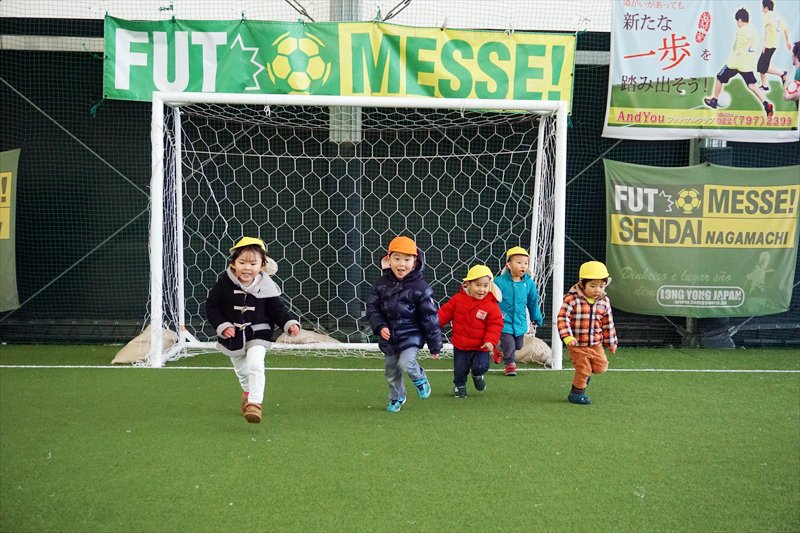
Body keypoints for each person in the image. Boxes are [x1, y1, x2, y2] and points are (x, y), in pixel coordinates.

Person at [206, 237, 301, 424]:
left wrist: (288, 323)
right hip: (233, 336)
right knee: (242, 371)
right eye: (242, 262)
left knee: (256, 365)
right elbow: (212, 307)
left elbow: (277, 310)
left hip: (259, 333)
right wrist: (223, 326)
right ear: (233, 264)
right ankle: (248, 392)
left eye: (253, 263)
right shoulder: (224, 284)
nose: (247, 268)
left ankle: (255, 404)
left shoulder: (267, 286)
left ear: (262, 265)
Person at [365, 236, 442, 413]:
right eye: (397, 258)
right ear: (388, 259)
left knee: (406, 363)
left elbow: (429, 318)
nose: (402, 264)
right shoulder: (380, 284)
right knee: (391, 372)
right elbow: (372, 309)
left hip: (411, 334)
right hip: (389, 338)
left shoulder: (421, 287)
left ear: (415, 262)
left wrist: (435, 345)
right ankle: (397, 397)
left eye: (407, 259)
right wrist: (380, 326)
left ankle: (420, 378)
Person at [557, 261, 618, 405]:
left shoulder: (604, 301)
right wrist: (567, 337)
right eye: (593, 286)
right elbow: (562, 317)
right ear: (582, 284)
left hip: (595, 343)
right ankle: (576, 393)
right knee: (583, 369)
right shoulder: (571, 299)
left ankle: (583, 379)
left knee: (601, 367)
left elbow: (608, 322)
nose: (597, 289)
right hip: (577, 344)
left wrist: (611, 342)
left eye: (601, 286)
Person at [438, 265, 504, 398]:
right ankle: (459, 386)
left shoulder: (491, 305)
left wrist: (490, 341)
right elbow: (444, 313)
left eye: (486, 286)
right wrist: (431, 325)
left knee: (481, 366)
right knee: (460, 369)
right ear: (468, 284)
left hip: (481, 346)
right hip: (461, 344)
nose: (482, 290)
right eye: (478, 285)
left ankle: (477, 375)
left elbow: (495, 325)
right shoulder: (458, 299)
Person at [704, 7, 774, 117]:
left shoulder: (741, 31)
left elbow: (736, 48)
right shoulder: (753, 30)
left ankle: (714, 100)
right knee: (752, 85)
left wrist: (731, 61)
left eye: (737, 21)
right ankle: (766, 103)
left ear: (740, 20)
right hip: (747, 64)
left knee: (719, 77)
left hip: (735, 63)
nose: (737, 23)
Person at [493, 246, 544, 377]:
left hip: (520, 322)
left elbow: (533, 301)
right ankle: (510, 365)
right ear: (509, 265)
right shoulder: (498, 282)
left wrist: (536, 316)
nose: (523, 266)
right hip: (504, 321)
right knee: (509, 345)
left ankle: (498, 349)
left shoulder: (529, 283)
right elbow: (491, 300)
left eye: (525, 263)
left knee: (518, 345)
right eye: (519, 262)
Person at [758, 0, 792, 93]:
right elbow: (786, 28)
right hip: (774, 44)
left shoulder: (766, 15)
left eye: (762, 7)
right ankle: (764, 86)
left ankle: (782, 74)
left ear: (765, 7)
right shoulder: (778, 16)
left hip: (769, 44)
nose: (762, 9)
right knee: (763, 65)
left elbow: (766, 31)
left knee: (761, 66)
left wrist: (764, 45)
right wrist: (787, 41)